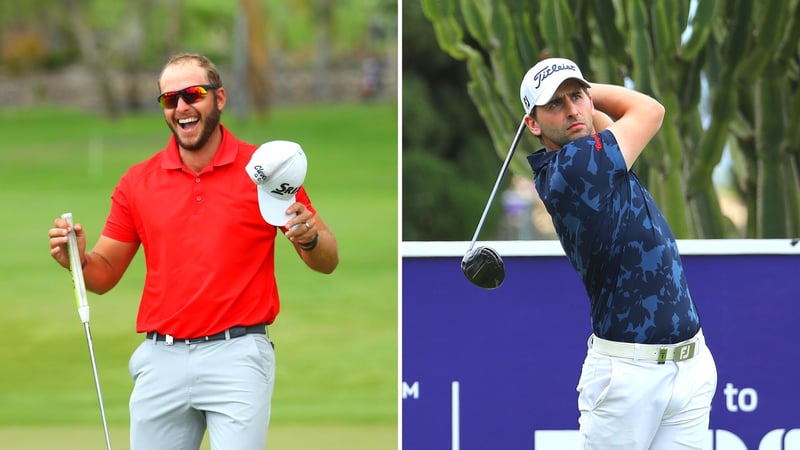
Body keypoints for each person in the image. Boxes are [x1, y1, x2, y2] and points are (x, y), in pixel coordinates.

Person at [48, 52, 339, 450]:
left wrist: (308, 238)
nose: (182, 107)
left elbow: (327, 260)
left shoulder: (264, 170)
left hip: (237, 356)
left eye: (194, 94)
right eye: (171, 99)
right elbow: (103, 275)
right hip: (160, 358)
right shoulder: (138, 182)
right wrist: (77, 262)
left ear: (219, 99)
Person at [519, 57, 717, 449]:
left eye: (576, 96)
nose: (573, 109)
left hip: (689, 363)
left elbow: (609, 126)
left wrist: (575, 95)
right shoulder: (574, 169)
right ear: (533, 124)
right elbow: (649, 110)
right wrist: (590, 88)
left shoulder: (598, 156)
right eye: (555, 104)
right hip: (628, 377)